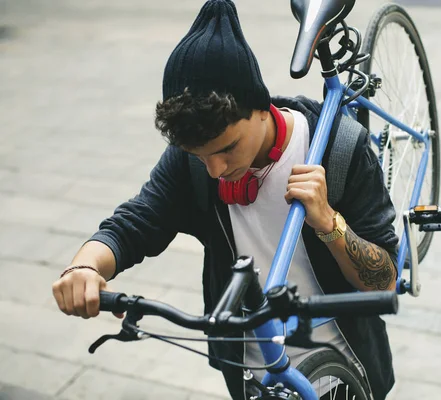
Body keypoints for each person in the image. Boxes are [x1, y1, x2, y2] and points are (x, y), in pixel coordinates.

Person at [51, 0, 399, 398]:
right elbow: (137, 220)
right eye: (201, 156)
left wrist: (329, 223)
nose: (214, 170)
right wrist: (84, 266)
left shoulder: (339, 149)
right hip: (253, 372)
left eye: (227, 149)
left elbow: (384, 281)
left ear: (261, 108)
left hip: (347, 366)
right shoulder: (191, 164)